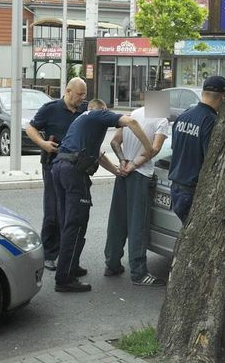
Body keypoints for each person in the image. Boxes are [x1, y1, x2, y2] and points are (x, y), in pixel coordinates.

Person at [52, 99, 153, 292]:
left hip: (60, 168)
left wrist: (116, 171)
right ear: (103, 110)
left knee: (68, 222)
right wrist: (148, 149)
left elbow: (97, 154)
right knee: (77, 223)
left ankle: (70, 266)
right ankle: (64, 279)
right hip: (75, 172)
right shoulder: (100, 114)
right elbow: (131, 122)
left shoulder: (82, 120)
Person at [26, 77, 87, 272]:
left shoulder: (84, 111)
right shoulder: (50, 108)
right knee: (53, 211)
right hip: (52, 166)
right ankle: (49, 255)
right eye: (79, 94)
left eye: (84, 95)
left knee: (70, 214)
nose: (82, 98)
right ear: (68, 91)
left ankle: (67, 257)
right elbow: (31, 128)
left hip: (76, 169)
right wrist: (43, 144)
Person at [104, 106, 169, 286]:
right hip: (140, 175)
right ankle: (139, 273)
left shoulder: (132, 115)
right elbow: (154, 149)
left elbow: (114, 142)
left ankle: (112, 263)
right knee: (137, 224)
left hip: (123, 174)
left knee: (117, 220)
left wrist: (123, 161)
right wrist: (133, 164)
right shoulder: (161, 121)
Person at [168, 75, 225, 223]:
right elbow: (212, 160)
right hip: (192, 191)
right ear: (223, 97)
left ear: (202, 93)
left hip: (176, 188)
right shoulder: (211, 121)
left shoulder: (184, 115)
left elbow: (174, 147)